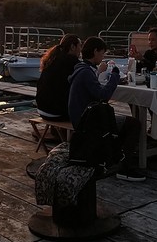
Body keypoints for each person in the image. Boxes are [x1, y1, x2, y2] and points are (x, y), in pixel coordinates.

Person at [68, 36, 145, 182]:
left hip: (82, 117)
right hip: (87, 122)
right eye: (102, 53)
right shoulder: (85, 72)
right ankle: (124, 167)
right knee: (133, 124)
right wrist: (115, 77)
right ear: (96, 51)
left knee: (120, 121)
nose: (103, 57)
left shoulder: (82, 69)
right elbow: (102, 95)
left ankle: (115, 157)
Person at [35, 34, 82, 121]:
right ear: (72, 47)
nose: (80, 50)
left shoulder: (52, 59)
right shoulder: (72, 63)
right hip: (56, 113)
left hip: (41, 109)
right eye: (79, 46)